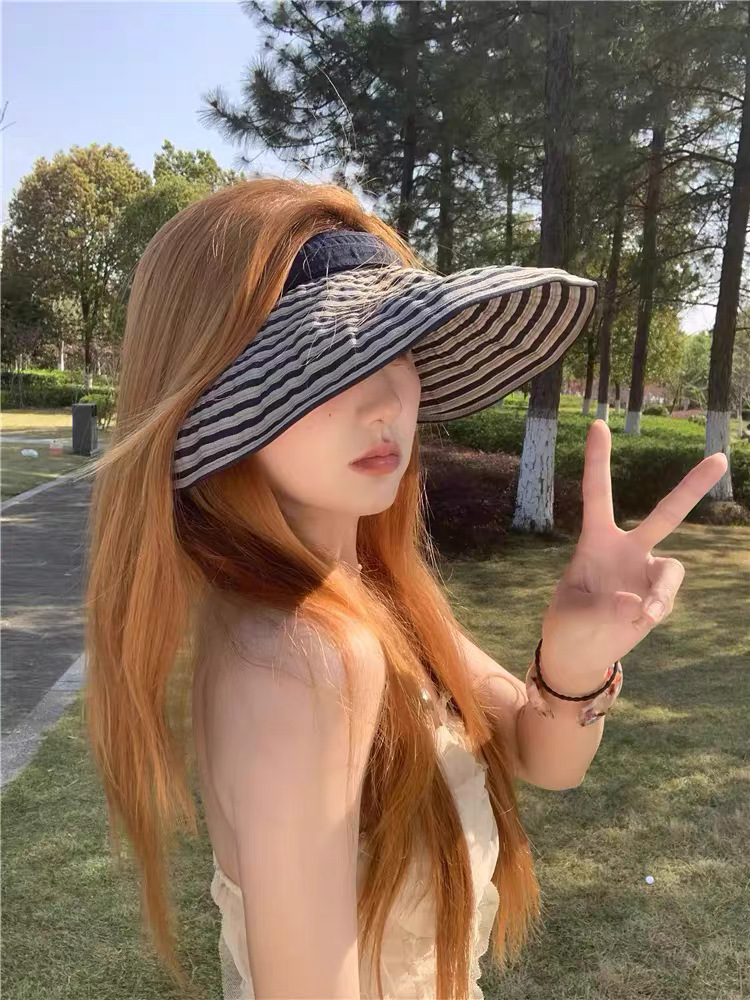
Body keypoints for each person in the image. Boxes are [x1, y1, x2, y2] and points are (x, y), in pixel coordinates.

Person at [79, 177, 727, 1000]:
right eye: (325, 364)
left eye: (399, 348)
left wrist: (574, 662)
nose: (387, 399)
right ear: (222, 403)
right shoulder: (305, 654)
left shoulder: (366, 596)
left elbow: (544, 757)